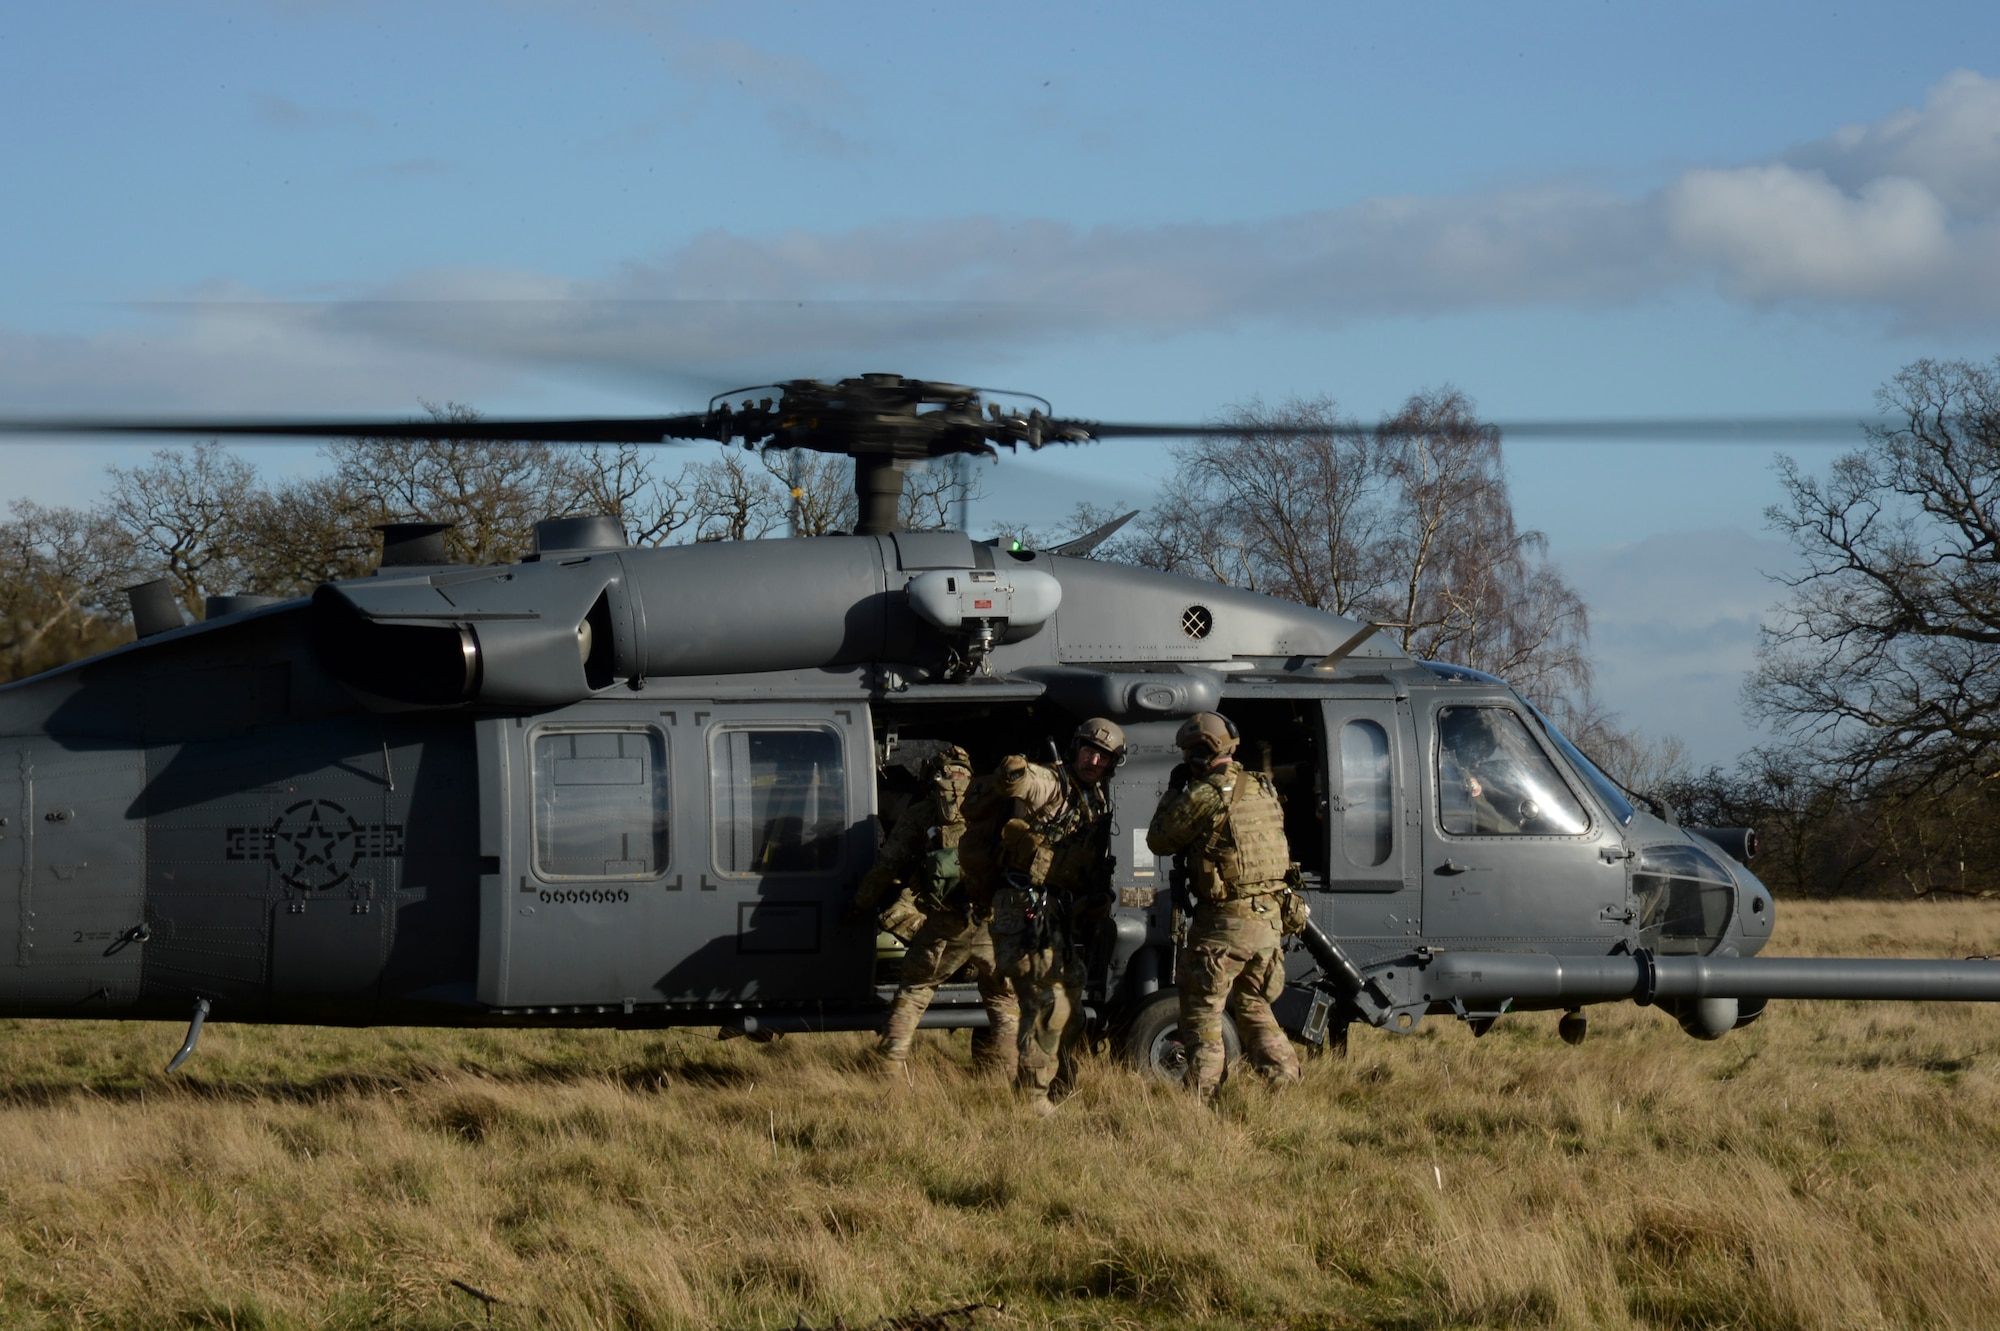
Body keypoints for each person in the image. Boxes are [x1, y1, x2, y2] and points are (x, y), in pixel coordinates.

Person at [1147, 711, 1301, 1104]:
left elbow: (1159, 840)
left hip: (1225, 925)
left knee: (1201, 1016)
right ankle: (1283, 1083)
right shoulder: (1261, 788)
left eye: (1188, 753)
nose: (1185, 761)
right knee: (1254, 1007)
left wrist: (1174, 791)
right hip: (1269, 922)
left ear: (1202, 751)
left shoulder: (1208, 791)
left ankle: (1200, 1102)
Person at [855, 744, 1020, 1080]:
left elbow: (888, 863)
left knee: (914, 993)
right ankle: (1007, 1080)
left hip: (947, 925)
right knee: (1004, 1001)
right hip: (992, 923)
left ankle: (888, 1074)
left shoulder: (923, 811)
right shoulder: (995, 805)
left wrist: (860, 903)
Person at [985, 717, 1123, 1116]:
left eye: (1104, 756)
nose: (1094, 760)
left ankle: (1063, 1088)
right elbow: (1020, 782)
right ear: (1075, 747)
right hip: (1024, 911)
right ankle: (1032, 1101)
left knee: (1073, 1012)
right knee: (1049, 1005)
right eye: (1089, 750)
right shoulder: (1053, 783)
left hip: (1058, 915)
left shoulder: (1094, 800)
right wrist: (1015, 769)